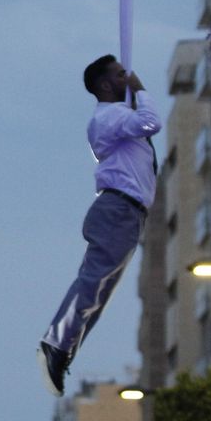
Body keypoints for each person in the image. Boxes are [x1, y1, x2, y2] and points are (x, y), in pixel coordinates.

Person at [38, 54, 160, 397]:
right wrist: (142, 91)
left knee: (99, 294)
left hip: (128, 212)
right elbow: (152, 123)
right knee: (93, 284)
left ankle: (63, 349)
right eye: (122, 74)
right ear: (106, 84)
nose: (129, 76)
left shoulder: (120, 118)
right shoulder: (110, 117)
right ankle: (56, 342)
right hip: (118, 208)